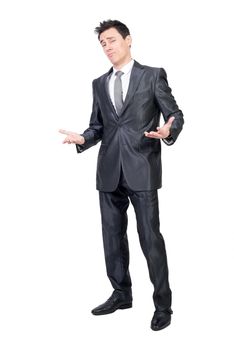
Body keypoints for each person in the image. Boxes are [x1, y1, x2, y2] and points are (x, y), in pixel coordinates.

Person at [59, 19, 184, 331]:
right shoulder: (99, 83)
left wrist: (169, 129)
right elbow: (99, 126)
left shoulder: (153, 75)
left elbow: (175, 114)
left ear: (128, 40)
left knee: (149, 239)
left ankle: (163, 305)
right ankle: (121, 294)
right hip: (108, 172)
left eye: (112, 40)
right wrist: (84, 138)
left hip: (142, 169)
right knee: (112, 239)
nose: (108, 47)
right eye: (103, 43)